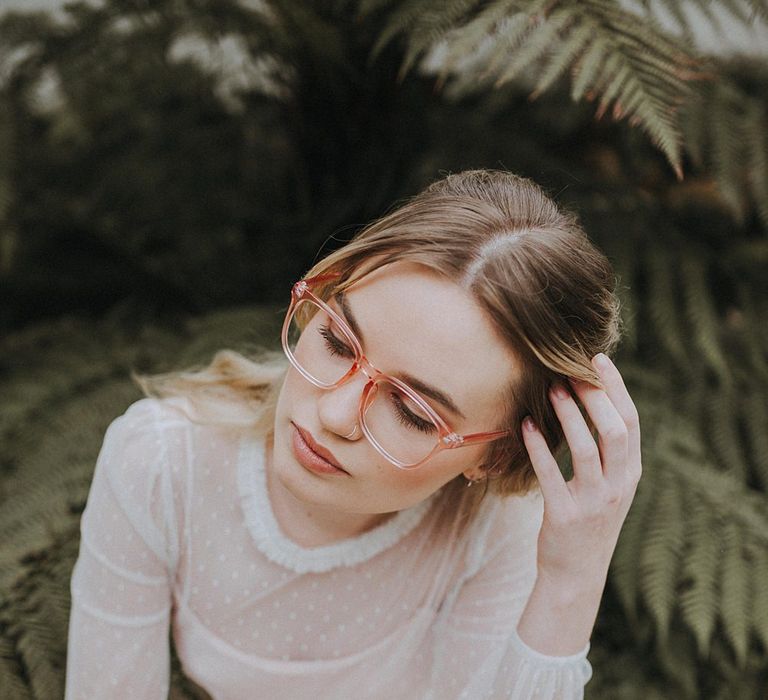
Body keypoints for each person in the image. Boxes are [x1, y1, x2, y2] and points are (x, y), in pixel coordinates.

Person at [64, 169, 642, 699]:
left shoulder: (495, 530)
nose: (336, 414)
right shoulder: (163, 464)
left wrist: (572, 580)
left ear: (494, 457)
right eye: (337, 341)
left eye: (413, 410)